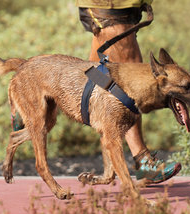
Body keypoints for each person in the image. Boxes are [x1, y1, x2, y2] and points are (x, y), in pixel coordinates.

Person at [76, 0, 181, 184]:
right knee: (127, 83)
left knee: (97, 76)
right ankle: (142, 161)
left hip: (123, 7)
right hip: (113, 5)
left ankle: (26, 100)